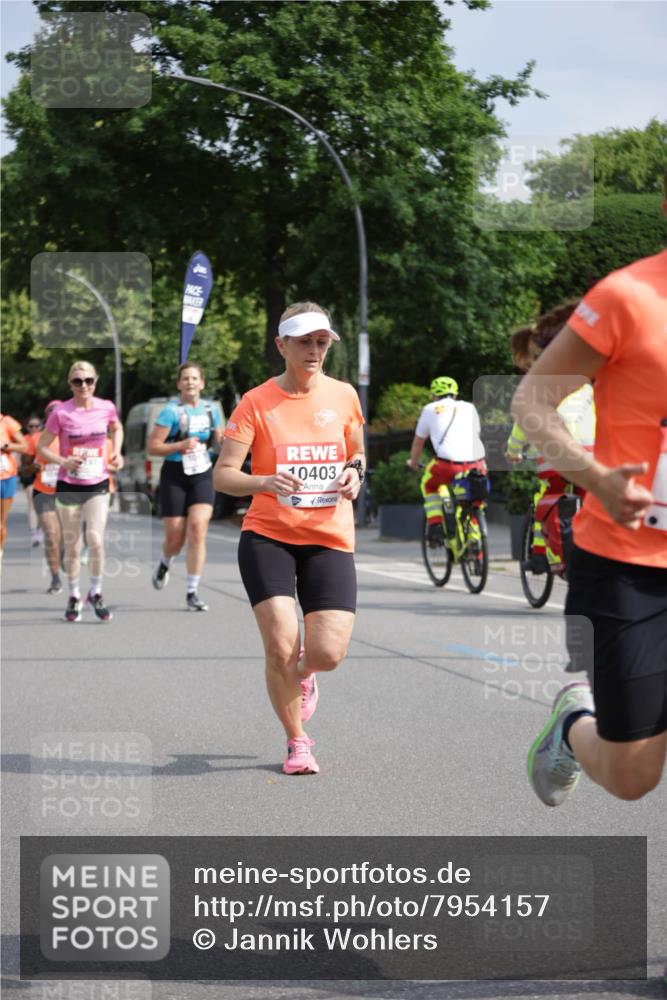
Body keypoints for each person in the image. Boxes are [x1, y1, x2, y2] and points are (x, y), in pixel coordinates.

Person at [513, 182, 667, 807]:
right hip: (628, 563)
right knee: (633, 778)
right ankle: (574, 723)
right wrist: (597, 477)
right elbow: (533, 400)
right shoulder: (627, 297)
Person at [214, 301, 365, 775]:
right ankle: (297, 742)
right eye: (304, 342)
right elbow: (223, 476)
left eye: (322, 342)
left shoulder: (343, 396)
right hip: (268, 537)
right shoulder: (256, 402)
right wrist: (263, 482)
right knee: (281, 646)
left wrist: (354, 473)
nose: (314, 351)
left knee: (327, 654)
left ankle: (303, 675)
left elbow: (357, 453)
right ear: (282, 345)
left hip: (328, 536)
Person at [505, 303, 595, 574]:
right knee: (589, 498)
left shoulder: (540, 382)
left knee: (550, 494)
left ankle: (548, 556)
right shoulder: (585, 381)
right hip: (591, 451)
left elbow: (524, 424)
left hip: (555, 451)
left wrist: (513, 451)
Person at [38, 361, 123, 622]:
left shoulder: (106, 407)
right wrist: (63, 462)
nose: (83, 385)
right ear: (70, 385)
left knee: (95, 539)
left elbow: (116, 427)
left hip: (98, 484)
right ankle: (74, 596)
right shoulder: (61, 412)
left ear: (95, 382)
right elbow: (42, 448)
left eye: (88, 380)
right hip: (69, 485)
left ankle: (96, 592)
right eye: (77, 381)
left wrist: (117, 452)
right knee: (73, 546)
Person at [148, 363, 223, 611]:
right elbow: (154, 447)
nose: (190, 382)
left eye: (194, 378)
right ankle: (164, 562)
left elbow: (219, 442)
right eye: (185, 379)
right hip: (175, 473)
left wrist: (224, 442)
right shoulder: (170, 411)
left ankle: (192, 591)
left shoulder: (213, 410)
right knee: (175, 538)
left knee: (198, 527)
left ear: (202, 383)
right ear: (179, 384)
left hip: (202, 472)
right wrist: (180, 445)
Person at [406, 376, 486, 545]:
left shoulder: (430, 409)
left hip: (447, 465)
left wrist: (413, 463)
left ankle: (435, 524)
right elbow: (476, 435)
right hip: (477, 464)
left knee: (428, 484)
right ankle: (476, 544)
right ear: (455, 394)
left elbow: (418, 443)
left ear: (435, 395)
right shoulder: (469, 407)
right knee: (473, 501)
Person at [24, 401, 64, 594]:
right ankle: (55, 578)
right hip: (44, 491)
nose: (55, 414)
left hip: (68, 492)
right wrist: (33, 467)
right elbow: (23, 470)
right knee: (51, 535)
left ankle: (63, 557)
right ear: (47, 416)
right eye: (51, 412)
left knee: (64, 538)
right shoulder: (36, 439)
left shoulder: (71, 437)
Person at [0, 413, 28, 559]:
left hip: (5, 477)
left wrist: (5, 445)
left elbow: (24, 447)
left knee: (0, 524)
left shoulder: (7, 421)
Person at [21, 415, 44, 547]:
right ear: (27, 427)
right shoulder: (24, 439)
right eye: (31, 426)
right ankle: (34, 532)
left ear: (41, 427)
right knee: (31, 501)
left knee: (41, 503)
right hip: (30, 472)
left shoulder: (46, 437)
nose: (34, 428)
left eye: (37, 426)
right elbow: (20, 456)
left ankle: (40, 528)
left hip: (43, 472)